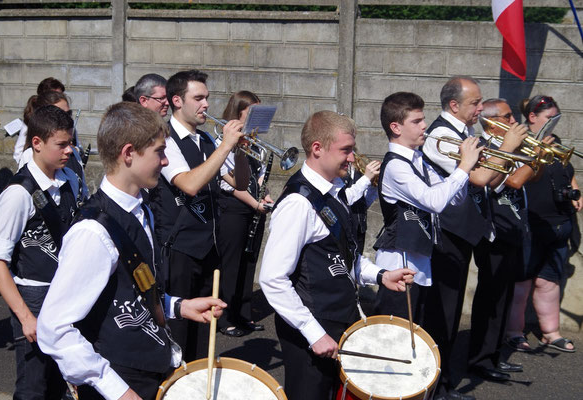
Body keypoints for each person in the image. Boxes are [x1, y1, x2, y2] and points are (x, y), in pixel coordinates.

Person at [37, 102, 226, 400]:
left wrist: (179, 306)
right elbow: (54, 328)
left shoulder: (143, 211)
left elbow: (131, 292)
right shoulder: (92, 232)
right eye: (159, 152)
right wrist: (116, 390)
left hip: (149, 370)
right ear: (128, 154)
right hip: (118, 383)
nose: (165, 161)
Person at [259, 110, 415, 400]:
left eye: (352, 149)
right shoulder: (297, 203)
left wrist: (380, 275)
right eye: (346, 149)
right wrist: (313, 332)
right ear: (317, 148)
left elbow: (344, 258)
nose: (352, 157)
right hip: (312, 328)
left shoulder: (334, 192)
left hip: (336, 320)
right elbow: (272, 278)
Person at [420, 76, 526, 400]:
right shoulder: (440, 134)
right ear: (454, 105)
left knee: (450, 316)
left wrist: (505, 157)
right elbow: (478, 177)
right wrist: (506, 146)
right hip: (446, 234)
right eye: (475, 103)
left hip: (463, 231)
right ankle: (435, 388)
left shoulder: (465, 133)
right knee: (442, 315)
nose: (481, 108)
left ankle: (444, 383)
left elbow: (490, 180)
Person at [149, 69, 249, 361]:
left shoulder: (206, 141)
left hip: (208, 247)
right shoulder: (164, 139)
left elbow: (239, 183)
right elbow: (189, 184)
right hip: (179, 249)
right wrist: (226, 146)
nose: (206, 104)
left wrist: (240, 152)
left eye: (207, 97)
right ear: (177, 101)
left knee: (204, 331)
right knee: (178, 332)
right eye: (199, 98)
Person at [0, 105, 84, 400]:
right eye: (62, 144)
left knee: (61, 382)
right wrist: (26, 317)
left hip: (66, 293)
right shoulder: (17, 194)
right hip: (34, 297)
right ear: (37, 144)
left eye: (72, 142)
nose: (70, 150)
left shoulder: (71, 179)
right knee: (33, 386)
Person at [373, 92, 482, 324]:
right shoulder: (395, 166)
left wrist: (465, 170)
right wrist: (464, 167)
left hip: (419, 265)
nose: (425, 126)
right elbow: (433, 201)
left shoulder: (418, 160)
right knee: (395, 341)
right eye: (416, 121)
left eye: (423, 120)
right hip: (399, 265)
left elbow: (451, 200)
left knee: (417, 340)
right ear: (396, 127)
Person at [467, 98, 540, 382]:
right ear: (491, 121)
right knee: (490, 298)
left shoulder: (509, 146)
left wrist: (535, 156)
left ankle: (494, 355)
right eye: (508, 117)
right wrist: (513, 152)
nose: (513, 122)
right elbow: (499, 183)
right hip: (493, 232)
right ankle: (480, 359)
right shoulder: (484, 148)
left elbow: (530, 176)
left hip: (513, 229)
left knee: (503, 297)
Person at [505, 95, 581, 353]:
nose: (554, 123)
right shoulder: (520, 143)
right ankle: (514, 332)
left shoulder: (555, 143)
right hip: (530, 223)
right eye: (550, 118)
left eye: (556, 118)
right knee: (522, 282)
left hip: (558, 223)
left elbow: (566, 172)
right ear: (533, 118)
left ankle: (551, 333)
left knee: (549, 281)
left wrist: (574, 189)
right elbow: (514, 179)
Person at [216, 91, 274, 337]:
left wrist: (265, 194)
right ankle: (225, 318)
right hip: (233, 208)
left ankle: (244, 314)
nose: (256, 118)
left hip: (253, 208)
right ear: (238, 112)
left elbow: (259, 175)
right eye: (252, 112)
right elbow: (227, 181)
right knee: (231, 263)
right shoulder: (224, 140)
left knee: (249, 261)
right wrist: (255, 203)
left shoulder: (255, 142)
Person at [16, 91, 89, 200]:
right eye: (59, 113)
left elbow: (83, 192)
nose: (66, 118)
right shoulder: (29, 158)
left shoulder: (72, 154)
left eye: (68, 113)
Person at [13, 77, 65, 164]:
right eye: (55, 96)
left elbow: (77, 146)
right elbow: (18, 153)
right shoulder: (32, 120)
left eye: (61, 95)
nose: (60, 99)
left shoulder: (66, 120)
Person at [342, 150, 379, 254]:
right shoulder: (336, 173)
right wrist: (366, 179)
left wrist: (374, 186)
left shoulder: (357, 169)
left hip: (359, 229)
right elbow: (344, 200)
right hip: (345, 230)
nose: (352, 157)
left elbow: (363, 203)